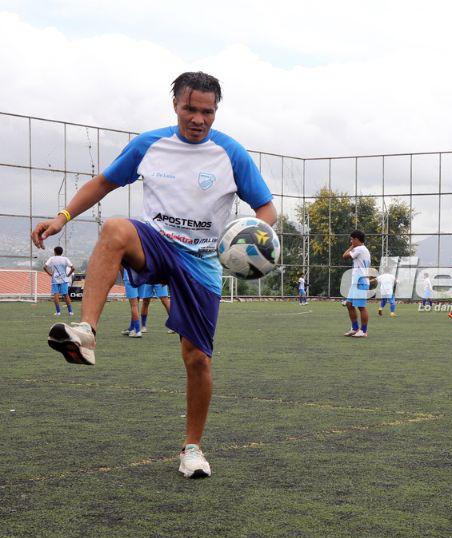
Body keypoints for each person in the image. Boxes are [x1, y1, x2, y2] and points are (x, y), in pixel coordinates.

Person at [32, 71, 276, 479]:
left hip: (201, 260)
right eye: (190, 109)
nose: (198, 119)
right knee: (114, 228)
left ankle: (192, 448)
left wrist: (258, 237)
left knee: (197, 359)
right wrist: (63, 217)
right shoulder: (149, 144)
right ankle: (87, 331)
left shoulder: (231, 153)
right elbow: (104, 182)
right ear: (176, 106)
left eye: (207, 112)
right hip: (156, 242)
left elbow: (264, 207)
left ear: (215, 111)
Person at [342, 230, 371, 337]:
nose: (351, 241)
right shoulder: (363, 249)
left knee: (361, 307)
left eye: (352, 239)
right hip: (356, 282)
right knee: (349, 304)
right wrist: (352, 246)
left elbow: (344, 256)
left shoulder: (359, 249)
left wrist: (351, 247)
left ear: (357, 239)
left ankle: (363, 331)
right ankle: (354, 328)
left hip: (361, 282)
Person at [43, 246, 75, 316]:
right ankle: (70, 312)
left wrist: (49, 273)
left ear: (54, 252)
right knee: (66, 295)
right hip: (64, 279)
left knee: (56, 295)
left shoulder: (52, 259)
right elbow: (73, 268)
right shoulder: (65, 259)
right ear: (61, 252)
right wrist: (68, 275)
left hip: (55, 279)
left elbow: (44, 267)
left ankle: (58, 312)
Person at [120, 267, 143, 338]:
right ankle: (132, 328)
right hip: (141, 276)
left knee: (134, 305)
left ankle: (137, 330)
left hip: (130, 276)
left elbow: (121, 266)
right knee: (136, 304)